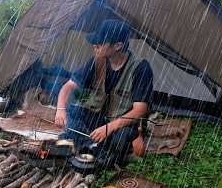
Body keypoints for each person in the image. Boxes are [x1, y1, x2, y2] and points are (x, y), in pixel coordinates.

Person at [55, 19, 153, 168]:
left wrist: (110, 127)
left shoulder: (141, 68)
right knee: (72, 111)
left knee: (120, 138)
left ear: (118, 45)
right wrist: (60, 109)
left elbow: (140, 110)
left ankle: (87, 147)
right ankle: (86, 146)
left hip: (122, 123)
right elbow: (67, 87)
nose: (95, 45)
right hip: (99, 115)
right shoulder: (97, 61)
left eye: (100, 43)